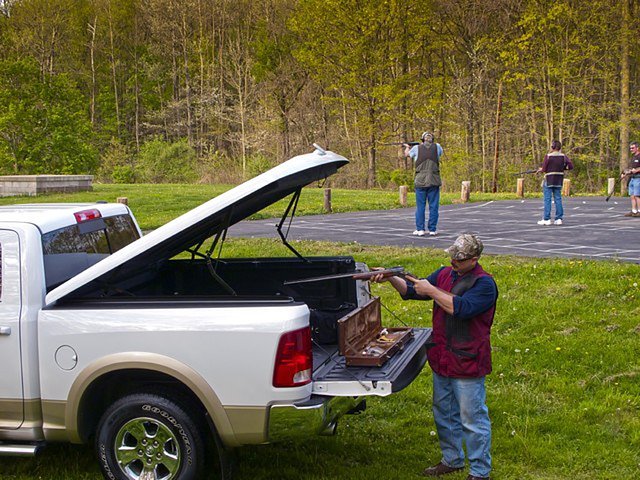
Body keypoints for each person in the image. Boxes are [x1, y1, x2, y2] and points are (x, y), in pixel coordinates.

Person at [371, 234, 497, 480]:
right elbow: (411, 291)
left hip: (467, 361)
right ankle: (452, 459)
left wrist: (431, 290)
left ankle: (481, 472)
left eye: (459, 260)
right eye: (452, 257)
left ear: (475, 259)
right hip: (442, 358)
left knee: (472, 418)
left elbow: (460, 308)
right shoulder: (444, 274)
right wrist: (390, 277)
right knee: (444, 413)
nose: (453, 263)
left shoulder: (484, 284)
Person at [405, 131, 443, 236]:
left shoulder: (416, 149)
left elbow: (407, 155)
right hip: (434, 181)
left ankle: (420, 229)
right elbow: (439, 154)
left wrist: (408, 147)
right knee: (434, 207)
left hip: (420, 181)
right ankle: (432, 230)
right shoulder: (438, 147)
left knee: (420, 207)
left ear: (422, 139)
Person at [536, 140, 574, 225]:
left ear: (552, 147)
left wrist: (540, 170)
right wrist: (563, 168)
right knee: (558, 199)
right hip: (559, 180)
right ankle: (559, 218)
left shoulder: (548, 156)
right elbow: (570, 166)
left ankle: (546, 219)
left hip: (549, 179)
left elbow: (544, 169)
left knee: (547, 199)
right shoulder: (563, 156)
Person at [623, 142, 640, 217]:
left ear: (637, 148)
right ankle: (634, 211)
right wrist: (624, 173)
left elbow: (637, 169)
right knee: (632, 195)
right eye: (630, 148)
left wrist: (636, 170)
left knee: (637, 195)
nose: (631, 149)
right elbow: (630, 168)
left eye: (633, 148)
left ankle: (639, 211)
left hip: (638, 178)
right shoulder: (633, 157)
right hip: (632, 178)